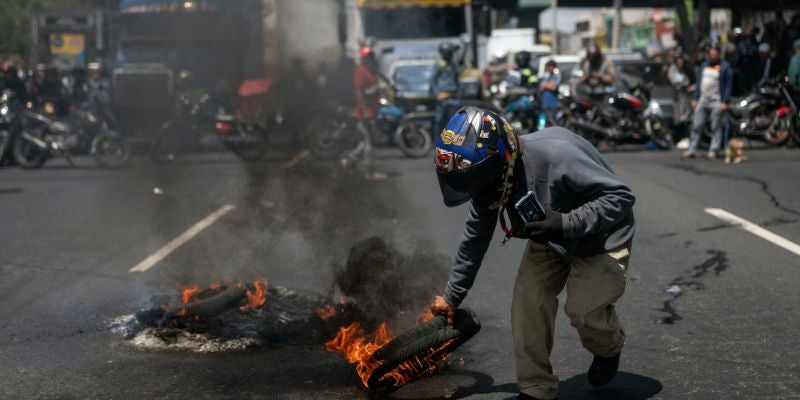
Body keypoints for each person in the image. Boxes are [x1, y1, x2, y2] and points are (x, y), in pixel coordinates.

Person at [430, 107, 635, 400]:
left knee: (583, 311)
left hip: (601, 236)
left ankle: (608, 348)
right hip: (550, 235)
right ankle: (536, 388)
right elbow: (475, 238)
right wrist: (452, 296)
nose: (473, 191)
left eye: (474, 180)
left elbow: (621, 197)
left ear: (502, 156)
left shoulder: (558, 155)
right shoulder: (489, 181)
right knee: (527, 302)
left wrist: (566, 222)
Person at [683, 43, 733, 160]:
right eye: (711, 55)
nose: (713, 57)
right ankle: (692, 149)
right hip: (703, 99)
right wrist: (695, 99)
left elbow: (728, 86)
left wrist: (725, 101)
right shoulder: (704, 65)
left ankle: (713, 149)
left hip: (716, 100)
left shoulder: (725, 67)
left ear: (719, 55)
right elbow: (699, 82)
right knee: (697, 125)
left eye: (715, 55)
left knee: (716, 126)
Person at [345, 46, 386, 181]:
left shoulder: (371, 70)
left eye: (371, 56)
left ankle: (350, 160)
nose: (370, 59)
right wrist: (363, 109)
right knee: (369, 142)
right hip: (365, 112)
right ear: (363, 58)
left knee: (367, 140)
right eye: (367, 57)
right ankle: (370, 171)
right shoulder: (361, 72)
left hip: (372, 110)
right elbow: (360, 92)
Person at [431, 42, 461, 135]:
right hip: (443, 95)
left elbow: (456, 80)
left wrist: (459, 92)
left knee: (455, 120)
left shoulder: (453, 65)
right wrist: (437, 94)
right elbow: (432, 81)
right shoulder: (439, 65)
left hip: (453, 95)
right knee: (440, 120)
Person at [666, 50, 695, 142]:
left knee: (687, 116)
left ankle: (686, 137)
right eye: (678, 60)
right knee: (679, 117)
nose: (680, 62)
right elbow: (676, 81)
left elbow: (691, 79)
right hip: (678, 96)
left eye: (681, 60)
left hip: (686, 96)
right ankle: (678, 138)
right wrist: (685, 84)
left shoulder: (686, 69)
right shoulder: (673, 68)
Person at [537, 59, 561, 124]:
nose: (550, 68)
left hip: (553, 104)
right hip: (545, 104)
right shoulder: (545, 77)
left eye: (552, 66)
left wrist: (545, 85)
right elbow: (541, 87)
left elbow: (553, 87)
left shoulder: (556, 76)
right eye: (549, 66)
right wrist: (548, 85)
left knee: (553, 123)